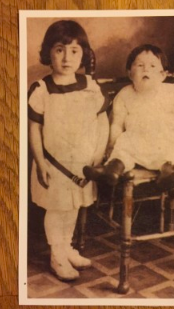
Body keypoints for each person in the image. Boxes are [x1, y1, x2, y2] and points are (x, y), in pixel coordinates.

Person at [28, 20, 109, 281]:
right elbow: (34, 129)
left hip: (82, 163)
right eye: (59, 49)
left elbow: (102, 122)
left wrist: (98, 154)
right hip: (54, 164)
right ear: (48, 53)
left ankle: (67, 247)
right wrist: (40, 163)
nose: (67, 58)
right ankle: (57, 254)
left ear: (83, 54)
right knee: (57, 209)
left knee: (73, 208)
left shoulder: (90, 86)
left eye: (74, 51)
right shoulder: (42, 89)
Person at [83, 44, 174, 190]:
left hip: (166, 139)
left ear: (163, 75)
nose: (146, 69)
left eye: (153, 66)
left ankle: (168, 172)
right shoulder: (125, 94)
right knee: (123, 144)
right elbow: (117, 123)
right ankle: (113, 168)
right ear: (130, 73)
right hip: (136, 140)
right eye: (140, 65)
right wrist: (111, 144)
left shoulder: (171, 92)